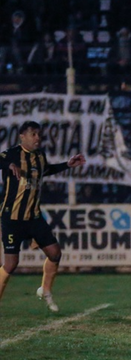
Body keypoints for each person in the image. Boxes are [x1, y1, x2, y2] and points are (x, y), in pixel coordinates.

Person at [0, 121, 87, 312]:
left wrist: (67, 165)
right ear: (22, 136)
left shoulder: (40, 156)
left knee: (55, 253)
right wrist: (8, 164)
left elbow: (45, 170)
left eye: (39, 134)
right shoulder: (12, 153)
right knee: (11, 264)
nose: (37, 138)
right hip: (12, 218)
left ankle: (45, 290)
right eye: (33, 134)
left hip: (34, 217)